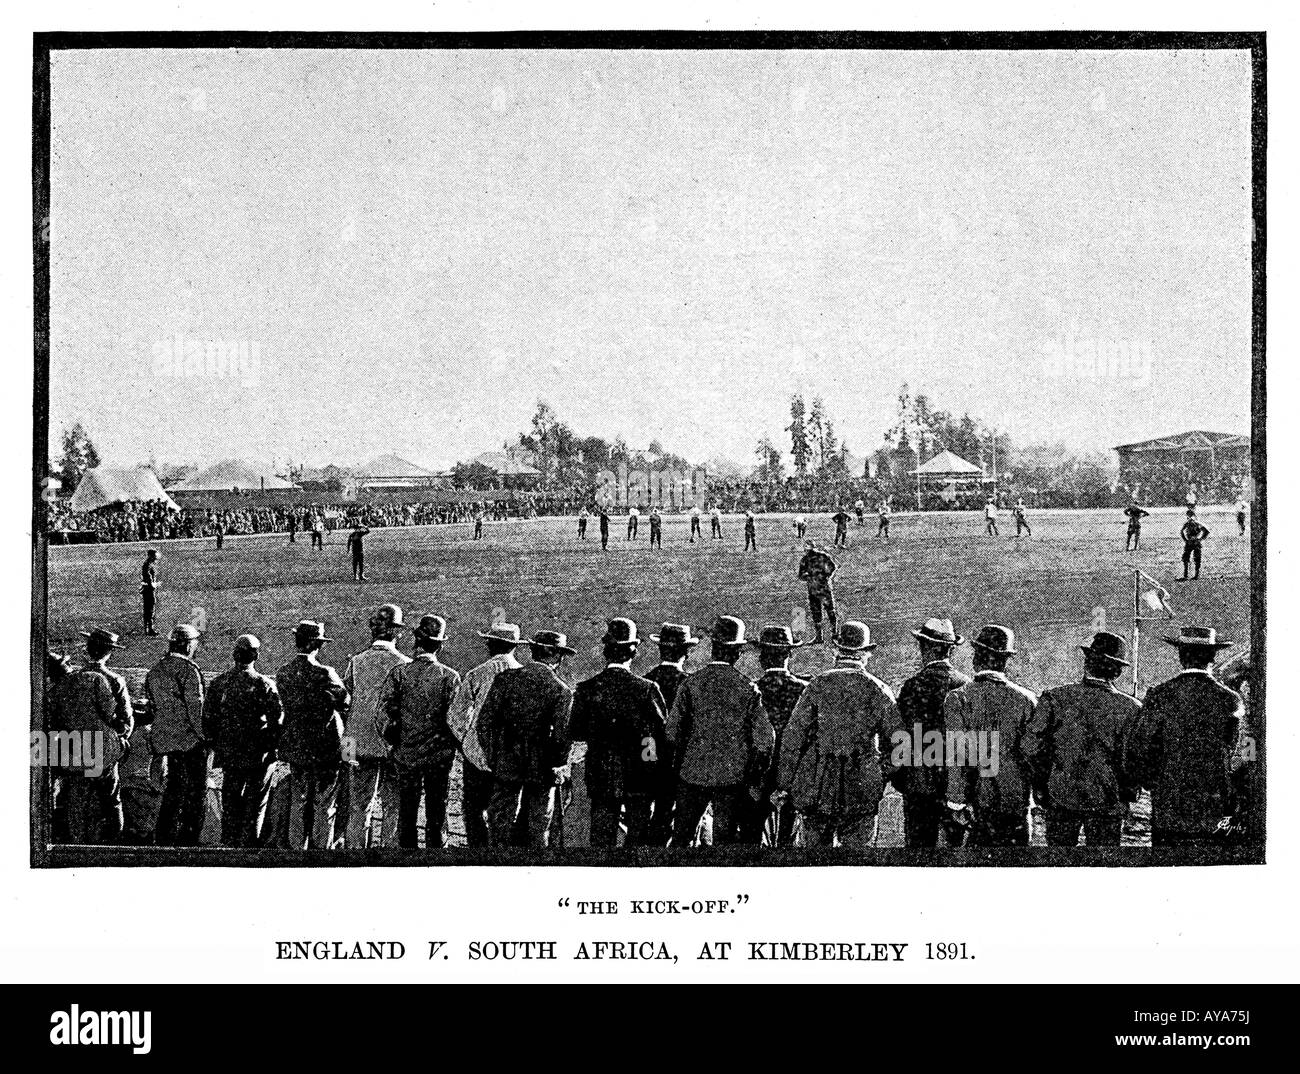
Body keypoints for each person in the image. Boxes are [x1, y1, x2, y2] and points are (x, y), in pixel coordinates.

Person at [776, 621, 901, 849]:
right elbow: (900, 744)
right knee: (856, 860)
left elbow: (793, 738)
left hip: (818, 783)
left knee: (815, 857)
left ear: (837, 650)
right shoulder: (878, 688)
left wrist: (785, 783)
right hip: (862, 785)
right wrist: (880, 772)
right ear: (865, 654)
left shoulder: (817, 684)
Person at [1126, 627, 1248, 847]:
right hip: (1215, 807)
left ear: (1181, 656)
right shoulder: (1232, 700)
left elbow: (1139, 747)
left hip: (1169, 804)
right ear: (1213, 657)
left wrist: (1151, 782)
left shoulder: (1159, 695)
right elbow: (1241, 750)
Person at [1021, 631, 1140, 848]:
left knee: (1059, 867)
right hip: (1109, 802)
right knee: (1103, 868)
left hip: (1060, 796)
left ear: (1087, 663)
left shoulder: (1055, 698)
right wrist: (1127, 791)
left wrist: (1042, 784)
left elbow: (1030, 747)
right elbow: (1135, 760)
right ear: (1117, 671)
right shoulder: (1131, 708)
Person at [666, 616, 774, 847]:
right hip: (732, 777)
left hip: (691, 773)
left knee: (682, 839)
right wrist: (754, 775)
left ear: (713, 649)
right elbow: (765, 740)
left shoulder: (691, 684)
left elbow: (671, 732)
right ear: (736, 653)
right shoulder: (747, 688)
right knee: (723, 843)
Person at [567, 619, 668, 848]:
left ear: (605, 651)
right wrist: (648, 761)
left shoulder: (587, 688)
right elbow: (656, 735)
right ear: (633, 651)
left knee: (602, 838)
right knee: (637, 837)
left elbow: (575, 731)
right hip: (640, 773)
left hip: (600, 770)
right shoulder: (647, 689)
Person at [477, 630, 575, 848]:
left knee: (499, 825)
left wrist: (493, 756)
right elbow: (562, 738)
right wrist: (558, 766)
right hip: (543, 770)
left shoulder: (505, 679)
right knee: (539, 828)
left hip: (505, 764)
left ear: (532, 651)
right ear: (558, 657)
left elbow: (484, 723)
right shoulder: (561, 691)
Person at [944, 625, 1037, 846]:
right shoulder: (1027, 699)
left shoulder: (958, 698)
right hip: (1017, 799)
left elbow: (957, 755)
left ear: (976, 658)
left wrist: (957, 802)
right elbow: (1034, 753)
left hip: (978, 799)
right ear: (1005, 660)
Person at [376, 615, 461, 849]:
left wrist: (393, 744)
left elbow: (382, 714)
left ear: (416, 640)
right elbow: (457, 720)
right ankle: (436, 853)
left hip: (406, 754)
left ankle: (407, 856)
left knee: (407, 810)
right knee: (437, 808)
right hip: (439, 757)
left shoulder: (399, 673)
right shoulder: (449, 677)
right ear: (440, 644)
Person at [270, 620, 350, 850]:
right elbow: (345, 701)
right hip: (326, 746)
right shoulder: (325, 672)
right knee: (324, 802)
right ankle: (320, 850)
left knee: (299, 799)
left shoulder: (284, 672)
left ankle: (297, 848)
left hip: (297, 744)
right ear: (317, 645)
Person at [49, 628, 133, 844]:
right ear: (109, 653)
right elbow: (126, 723)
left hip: (76, 749)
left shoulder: (70, 679)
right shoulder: (114, 680)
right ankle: (113, 843)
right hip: (103, 752)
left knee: (77, 801)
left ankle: (77, 843)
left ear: (88, 649)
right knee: (111, 801)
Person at [447, 622, 526, 847]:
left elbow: (456, 715)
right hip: (511, 756)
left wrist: (466, 741)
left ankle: (477, 854)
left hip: (476, 754)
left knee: (474, 811)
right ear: (514, 647)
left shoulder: (476, 674)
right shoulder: (523, 675)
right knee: (506, 811)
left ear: (491, 644)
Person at [894, 618, 970, 848]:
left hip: (919, 784)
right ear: (950, 650)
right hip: (957, 786)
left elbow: (900, 739)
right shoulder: (965, 684)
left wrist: (903, 779)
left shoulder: (912, 686)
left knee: (918, 852)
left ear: (924, 647)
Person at [203, 634, 283, 847]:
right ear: (256, 655)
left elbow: (208, 719)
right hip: (259, 754)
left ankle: (229, 841)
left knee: (231, 800)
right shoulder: (264, 684)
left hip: (230, 752)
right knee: (255, 803)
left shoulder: (219, 683)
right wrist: (272, 747)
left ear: (234, 654)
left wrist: (218, 744)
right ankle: (249, 843)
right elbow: (277, 720)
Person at [341, 604, 409, 848]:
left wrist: (346, 751)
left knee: (358, 804)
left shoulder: (357, 661)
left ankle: (354, 852)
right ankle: (389, 852)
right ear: (396, 632)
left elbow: (348, 701)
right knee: (393, 802)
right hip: (392, 745)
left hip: (356, 743)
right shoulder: (404, 664)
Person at [740, 626, 807, 847]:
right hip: (794, 774)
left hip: (756, 776)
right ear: (789, 654)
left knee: (751, 839)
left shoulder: (752, 690)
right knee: (788, 841)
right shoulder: (805, 690)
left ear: (761, 658)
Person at [148, 624, 207, 846]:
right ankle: (188, 840)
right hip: (190, 742)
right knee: (195, 793)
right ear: (189, 645)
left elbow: (154, 707)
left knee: (173, 790)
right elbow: (196, 712)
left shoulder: (156, 669)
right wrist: (205, 738)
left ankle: (164, 837)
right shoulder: (189, 670)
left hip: (165, 741)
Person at [642, 622, 698, 845]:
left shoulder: (646, 681)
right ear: (686, 652)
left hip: (650, 760)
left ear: (660, 650)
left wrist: (650, 760)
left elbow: (646, 730)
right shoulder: (692, 684)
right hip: (682, 765)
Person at [797, 539, 838, 644]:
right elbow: (800, 575)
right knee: (817, 613)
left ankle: (835, 634)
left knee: (830, 611)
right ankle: (820, 637)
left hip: (823, 588)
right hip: (814, 589)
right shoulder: (805, 560)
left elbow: (833, 567)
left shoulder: (822, 556)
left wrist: (826, 576)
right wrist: (807, 577)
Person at [1179, 508, 1210, 580]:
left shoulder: (1194, 523)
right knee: (1188, 558)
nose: (1189, 517)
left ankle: (1190, 575)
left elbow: (1206, 531)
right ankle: (1190, 575)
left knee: (1193, 558)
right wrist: (1200, 539)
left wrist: (1199, 539)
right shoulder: (1193, 523)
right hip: (1193, 542)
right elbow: (1206, 531)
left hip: (1193, 542)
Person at [140, 548, 160, 635]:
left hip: (147, 589)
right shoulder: (148, 565)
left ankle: (147, 629)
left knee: (147, 609)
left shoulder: (147, 564)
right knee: (150, 609)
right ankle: (150, 629)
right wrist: (154, 584)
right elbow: (149, 578)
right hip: (149, 589)